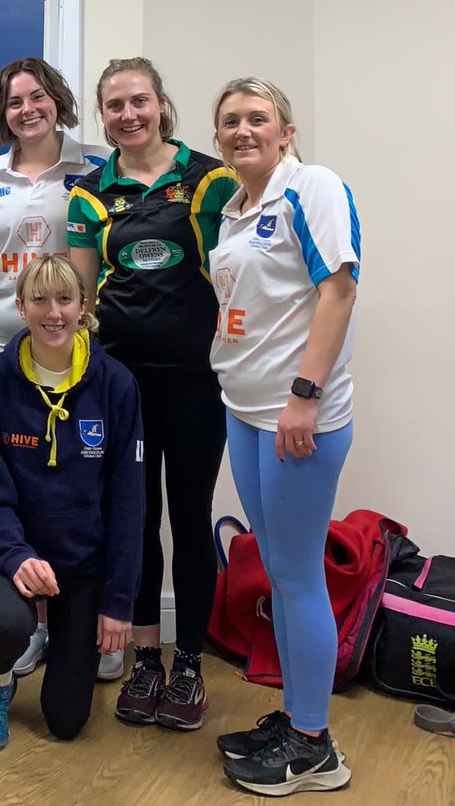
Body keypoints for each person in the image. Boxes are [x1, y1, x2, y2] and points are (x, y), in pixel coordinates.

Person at [67, 57, 239, 726]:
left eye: (139, 100)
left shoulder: (211, 180)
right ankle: (145, 657)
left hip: (199, 381)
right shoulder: (89, 194)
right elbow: (83, 302)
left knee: (191, 518)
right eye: (114, 105)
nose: (129, 114)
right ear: (103, 117)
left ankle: (189, 662)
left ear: (161, 103)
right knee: (133, 520)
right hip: (123, 386)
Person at [209, 78, 358, 796]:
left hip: (297, 418)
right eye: (231, 120)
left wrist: (305, 395)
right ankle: (301, 719)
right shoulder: (235, 210)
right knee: (278, 567)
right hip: (247, 410)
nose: (244, 130)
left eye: (257, 118)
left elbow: (340, 289)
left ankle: (313, 747)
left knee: (297, 576)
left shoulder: (314, 187)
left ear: (286, 130)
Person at [0, 56, 110, 676]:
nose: (28, 109)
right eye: (15, 101)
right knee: (10, 484)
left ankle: (71, 621)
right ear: (3, 113)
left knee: (68, 485)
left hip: (66, 349)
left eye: (37, 97)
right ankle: (28, 622)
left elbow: (98, 264)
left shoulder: (92, 167)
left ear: (58, 101)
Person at [0, 256, 143, 752]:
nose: (54, 313)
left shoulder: (116, 384)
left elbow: (130, 502)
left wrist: (118, 601)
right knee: (3, 625)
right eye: (39, 300)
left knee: (66, 721)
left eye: (65, 299)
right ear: (20, 307)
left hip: (83, 564)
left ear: (83, 306)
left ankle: (65, 651)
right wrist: (17, 555)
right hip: (16, 553)